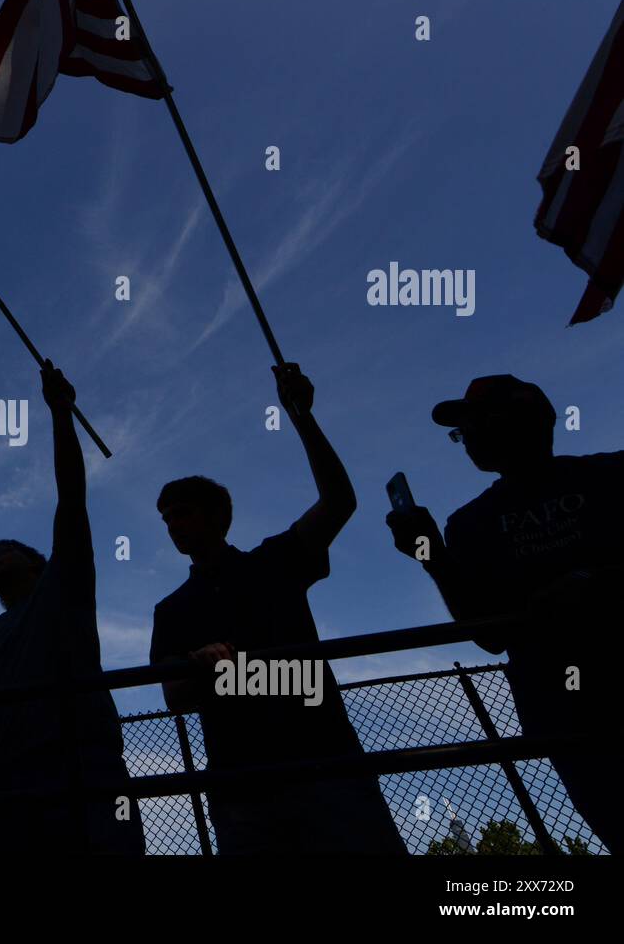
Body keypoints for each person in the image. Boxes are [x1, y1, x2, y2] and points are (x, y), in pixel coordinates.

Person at [151, 363, 405, 855]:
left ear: (219, 516)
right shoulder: (173, 608)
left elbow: (338, 500)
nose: (172, 524)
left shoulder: (275, 560)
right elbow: (173, 695)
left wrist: (301, 416)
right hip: (241, 781)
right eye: (165, 517)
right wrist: (198, 665)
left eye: (182, 511)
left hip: (325, 761)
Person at [0, 362, 145, 855]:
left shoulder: (64, 587)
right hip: (4, 779)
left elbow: (71, 499)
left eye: (2, 551)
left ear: (37, 560)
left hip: (83, 766)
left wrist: (60, 414)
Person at [385, 374, 623, 852]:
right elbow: (488, 632)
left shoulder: (611, 476)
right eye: (461, 431)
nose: (465, 439)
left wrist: (592, 583)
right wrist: (431, 555)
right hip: (567, 716)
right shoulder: (469, 523)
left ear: (520, 419)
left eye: (471, 424)